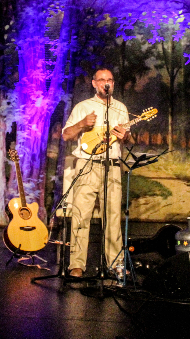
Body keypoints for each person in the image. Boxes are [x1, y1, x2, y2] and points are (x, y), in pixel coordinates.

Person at [62, 68, 132, 278]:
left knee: (113, 217)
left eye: (109, 80)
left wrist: (125, 137)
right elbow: (66, 135)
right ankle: (76, 264)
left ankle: (115, 264)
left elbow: (129, 140)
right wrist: (82, 124)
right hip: (87, 165)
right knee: (81, 215)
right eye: (102, 80)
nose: (106, 83)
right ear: (94, 83)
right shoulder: (83, 107)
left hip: (112, 166)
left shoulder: (120, 108)